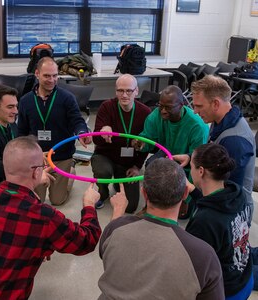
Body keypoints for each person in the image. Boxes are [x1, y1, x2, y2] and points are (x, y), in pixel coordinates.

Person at [0, 136, 124, 299]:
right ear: (35, 172)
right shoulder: (43, 217)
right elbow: (87, 240)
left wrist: (37, 246)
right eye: (41, 166)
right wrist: (89, 205)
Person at [98, 158, 225, 300]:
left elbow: (106, 254)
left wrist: (118, 213)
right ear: (185, 194)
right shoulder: (204, 256)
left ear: (144, 193)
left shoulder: (114, 229)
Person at [175, 75, 255, 223]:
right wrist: (191, 156)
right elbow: (215, 155)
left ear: (215, 104)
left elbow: (227, 193)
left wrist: (192, 191)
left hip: (230, 215)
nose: (195, 111)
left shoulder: (234, 141)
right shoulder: (220, 120)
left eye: (199, 106)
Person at [17, 56, 91, 205]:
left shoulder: (67, 98)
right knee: (37, 201)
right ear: (37, 74)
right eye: (46, 76)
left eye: (55, 75)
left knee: (57, 201)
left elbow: (77, 120)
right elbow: (22, 132)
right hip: (37, 157)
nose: (51, 80)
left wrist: (82, 133)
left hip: (61, 155)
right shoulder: (25, 101)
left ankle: (70, 171)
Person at [186, 143, 253, 299]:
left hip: (226, 291)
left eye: (191, 166)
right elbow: (216, 207)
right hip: (245, 277)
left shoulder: (205, 221)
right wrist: (193, 191)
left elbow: (192, 267)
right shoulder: (236, 193)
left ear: (201, 171)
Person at [132, 85, 209, 217]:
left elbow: (197, 165)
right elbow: (147, 139)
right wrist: (141, 144)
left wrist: (186, 198)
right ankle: (149, 206)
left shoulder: (197, 126)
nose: (163, 111)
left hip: (188, 163)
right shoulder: (156, 115)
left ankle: (179, 199)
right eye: (160, 106)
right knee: (152, 165)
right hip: (167, 152)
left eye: (168, 107)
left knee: (183, 214)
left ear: (181, 105)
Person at [91, 74, 151, 211]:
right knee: (103, 171)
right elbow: (95, 139)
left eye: (129, 90)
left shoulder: (145, 112)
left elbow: (147, 144)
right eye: (120, 90)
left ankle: (119, 183)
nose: (124, 95)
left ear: (136, 91)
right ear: (115, 91)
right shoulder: (106, 107)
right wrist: (102, 133)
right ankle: (103, 192)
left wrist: (137, 166)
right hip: (106, 156)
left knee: (130, 207)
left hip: (129, 162)